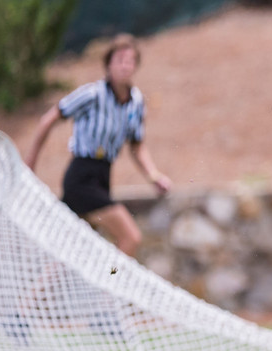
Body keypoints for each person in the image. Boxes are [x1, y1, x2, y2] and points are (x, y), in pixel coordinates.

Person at [25, 33, 171, 256]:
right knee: (130, 237)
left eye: (130, 61)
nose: (125, 66)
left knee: (74, 252)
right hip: (82, 177)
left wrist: (154, 175)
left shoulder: (136, 102)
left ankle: (44, 283)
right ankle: (110, 278)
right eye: (120, 60)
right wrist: (30, 163)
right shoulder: (92, 94)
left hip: (103, 176)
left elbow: (136, 145)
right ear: (108, 64)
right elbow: (49, 119)